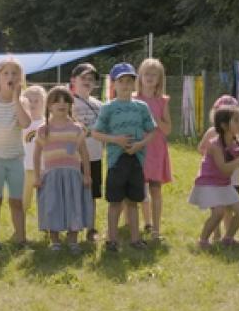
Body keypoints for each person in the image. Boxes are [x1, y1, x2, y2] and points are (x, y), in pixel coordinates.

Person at [92, 63, 156, 252]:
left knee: (133, 202)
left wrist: (139, 145)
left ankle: (135, 239)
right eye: (122, 81)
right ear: (114, 84)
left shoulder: (141, 107)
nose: (126, 85)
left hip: (136, 160)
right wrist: (116, 140)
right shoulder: (108, 108)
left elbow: (152, 131)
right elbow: (95, 133)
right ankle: (112, 240)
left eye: (130, 81)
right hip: (115, 162)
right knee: (114, 202)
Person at [189, 105, 239, 249]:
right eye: (236, 120)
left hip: (223, 184)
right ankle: (203, 241)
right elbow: (224, 168)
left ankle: (228, 238)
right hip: (209, 184)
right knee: (218, 213)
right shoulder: (214, 145)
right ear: (224, 126)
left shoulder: (235, 142)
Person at [34, 87, 92, 254]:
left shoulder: (76, 129)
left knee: (73, 206)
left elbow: (84, 154)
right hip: (51, 176)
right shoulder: (43, 130)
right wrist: (37, 177)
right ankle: (55, 241)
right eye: (57, 100)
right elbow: (37, 155)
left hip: (73, 176)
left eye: (66, 100)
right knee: (53, 207)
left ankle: (73, 240)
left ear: (71, 105)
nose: (62, 104)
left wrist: (87, 175)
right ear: (49, 106)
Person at [0, 57, 31, 257]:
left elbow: (25, 123)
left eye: (15, 74)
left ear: (21, 79)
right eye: (6, 73)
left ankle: (21, 239)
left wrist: (16, 100)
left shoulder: (22, 101)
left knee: (16, 201)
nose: (10, 77)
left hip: (15, 160)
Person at [135, 58, 172, 241]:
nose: (150, 77)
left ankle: (156, 229)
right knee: (136, 188)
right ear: (140, 77)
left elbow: (167, 129)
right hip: (138, 149)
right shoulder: (133, 99)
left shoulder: (162, 101)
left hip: (156, 149)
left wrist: (155, 119)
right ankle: (139, 223)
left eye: (154, 74)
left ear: (160, 79)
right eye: (146, 74)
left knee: (155, 189)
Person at [199, 95, 239, 241]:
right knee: (218, 209)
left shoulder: (237, 134)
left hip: (232, 178)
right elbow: (201, 148)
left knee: (229, 208)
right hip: (215, 178)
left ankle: (228, 235)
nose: (238, 122)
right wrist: (212, 159)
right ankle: (215, 234)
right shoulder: (212, 133)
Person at [69, 63, 104, 243]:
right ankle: (72, 227)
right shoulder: (68, 102)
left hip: (95, 155)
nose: (88, 82)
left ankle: (91, 228)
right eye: (84, 78)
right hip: (73, 158)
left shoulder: (100, 104)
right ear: (73, 80)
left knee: (92, 194)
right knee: (73, 193)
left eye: (91, 79)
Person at [22, 85, 47, 214]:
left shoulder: (46, 123)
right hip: (25, 168)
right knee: (23, 201)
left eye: (36, 100)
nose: (32, 103)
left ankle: (45, 226)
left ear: (43, 102)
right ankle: (19, 226)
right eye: (29, 100)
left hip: (43, 168)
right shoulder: (22, 123)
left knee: (44, 199)